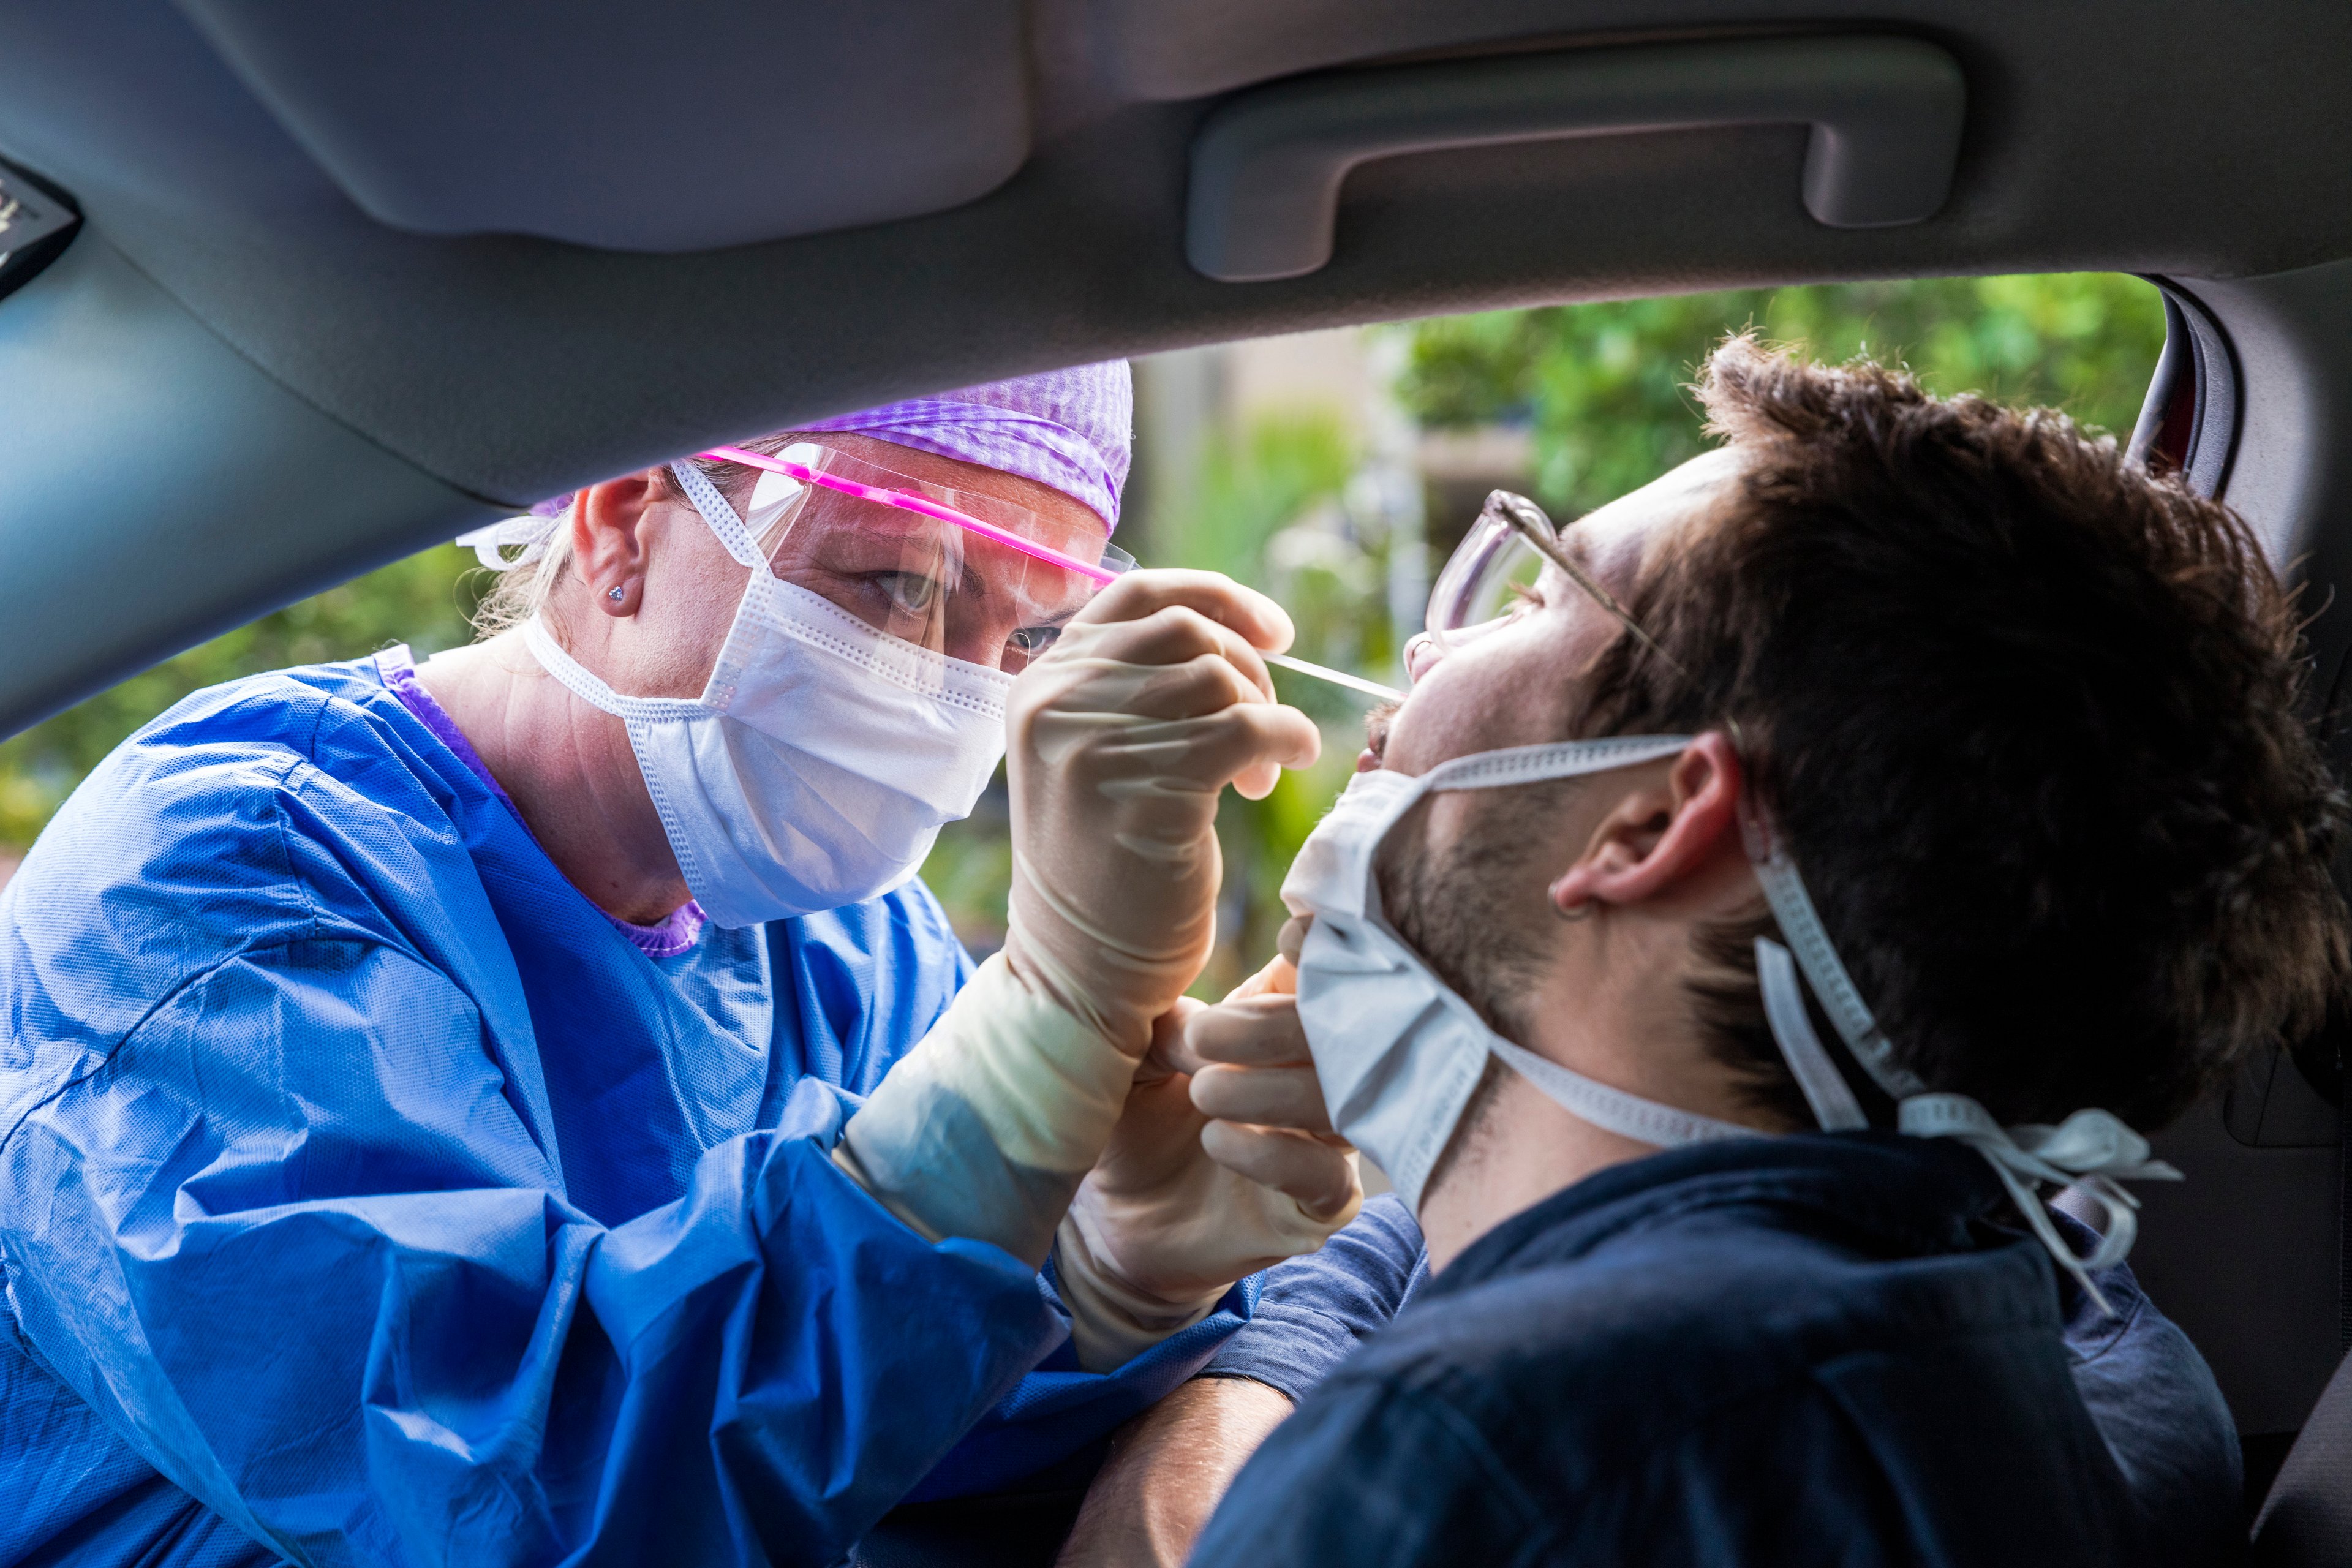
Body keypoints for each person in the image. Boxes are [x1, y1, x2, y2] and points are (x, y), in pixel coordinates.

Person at [0, 364, 1366, 1567]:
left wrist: (1103, 1285)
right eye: (898, 581)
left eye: (1019, 635)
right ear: (619, 522)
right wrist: (1028, 1050)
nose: (959, 689)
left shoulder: (848, 941)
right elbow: (511, 1502)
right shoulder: (227, 884)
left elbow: (846, 1462)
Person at [1103, 339, 2346, 1567]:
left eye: (1537, 598)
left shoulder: (1497, 1446)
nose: (1424, 654)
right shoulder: (2014, 1345)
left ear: (1650, 822)